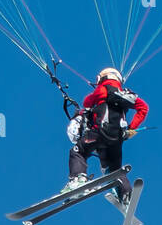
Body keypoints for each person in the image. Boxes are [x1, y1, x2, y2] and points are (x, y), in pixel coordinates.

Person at [63, 67, 148, 203]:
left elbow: (86, 102)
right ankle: (126, 194)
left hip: (99, 134)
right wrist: (132, 128)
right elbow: (143, 108)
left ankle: (78, 180)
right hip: (117, 139)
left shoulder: (102, 89)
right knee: (114, 169)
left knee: (77, 151)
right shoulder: (127, 95)